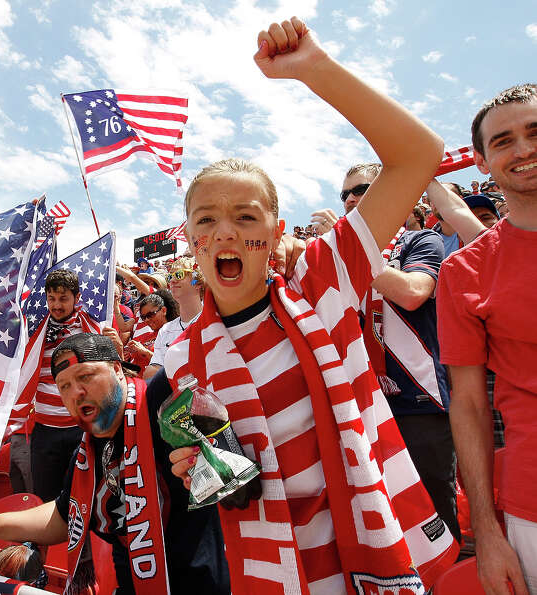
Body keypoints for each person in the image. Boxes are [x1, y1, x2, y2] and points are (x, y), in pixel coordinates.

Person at [162, 17, 458, 593]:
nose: (225, 233)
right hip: (269, 567)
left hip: (370, 546)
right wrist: (200, 469)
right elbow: (223, 481)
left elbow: (419, 153)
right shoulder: (182, 354)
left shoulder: (322, 280)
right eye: (207, 220)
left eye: (246, 217)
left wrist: (313, 69)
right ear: (190, 240)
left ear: (275, 232)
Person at [0, 333, 230, 595]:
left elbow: (199, 347)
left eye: (86, 376)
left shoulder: (158, 402)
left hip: (200, 585)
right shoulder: (85, 456)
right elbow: (63, 515)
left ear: (118, 369)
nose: (76, 392)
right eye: (65, 386)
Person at [437, 83, 537, 595]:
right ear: (480, 160)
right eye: (503, 141)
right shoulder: (464, 272)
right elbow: (470, 405)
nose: (522, 149)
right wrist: (487, 531)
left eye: (534, 132)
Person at [343, 162, 461, 542]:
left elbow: (412, 293)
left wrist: (357, 252)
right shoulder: (336, 254)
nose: (350, 200)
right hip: (363, 404)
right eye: (344, 194)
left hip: (418, 399)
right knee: (384, 517)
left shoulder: (420, 240)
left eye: (360, 189)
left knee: (434, 515)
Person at [14, 269, 101, 503]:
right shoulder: (33, 330)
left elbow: (108, 373)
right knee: (45, 500)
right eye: (51, 299)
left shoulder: (92, 328)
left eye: (63, 299)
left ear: (77, 297)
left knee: (83, 501)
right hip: (44, 430)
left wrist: (115, 347)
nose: (56, 305)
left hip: (81, 428)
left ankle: (83, 542)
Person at [144, 257, 204, 379]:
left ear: (197, 283)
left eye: (179, 275)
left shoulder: (214, 320)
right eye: (170, 277)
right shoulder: (165, 330)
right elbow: (150, 374)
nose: (173, 281)